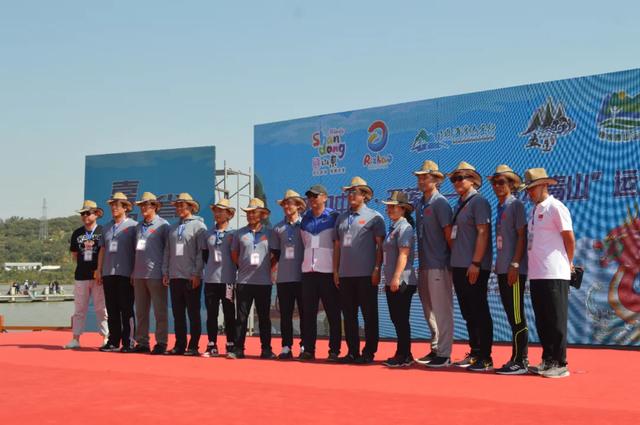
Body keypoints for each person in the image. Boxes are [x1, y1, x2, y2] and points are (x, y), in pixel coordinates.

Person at [522, 168, 575, 379]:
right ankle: (548, 360)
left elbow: (569, 237)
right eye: (528, 189)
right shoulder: (534, 211)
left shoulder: (556, 207)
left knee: (556, 320)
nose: (530, 193)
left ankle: (560, 363)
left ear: (544, 185)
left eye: (533, 188)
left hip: (554, 272)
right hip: (537, 274)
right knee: (542, 320)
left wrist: (568, 263)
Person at [447, 162, 494, 372]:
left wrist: (476, 262)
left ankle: (486, 356)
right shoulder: (459, 204)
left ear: (473, 180)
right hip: (458, 265)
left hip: (474, 266)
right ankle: (474, 352)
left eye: (461, 178)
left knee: (479, 310)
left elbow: (483, 233)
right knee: (468, 312)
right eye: (454, 179)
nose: (456, 182)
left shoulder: (479, 202)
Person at [334, 176, 386, 364]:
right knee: (349, 316)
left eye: (354, 192)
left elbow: (380, 246)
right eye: (349, 192)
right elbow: (337, 246)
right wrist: (335, 271)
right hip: (345, 275)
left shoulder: (374, 217)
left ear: (364, 195)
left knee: (369, 315)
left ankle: (369, 352)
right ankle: (352, 351)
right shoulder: (341, 218)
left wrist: (377, 269)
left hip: (366, 274)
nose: (351, 196)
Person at [487, 165, 529, 375]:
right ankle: (516, 358)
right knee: (511, 315)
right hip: (503, 268)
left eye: (501, 182)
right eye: (494, 182)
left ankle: (521, 360)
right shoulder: (501, 206)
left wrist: (515, 264)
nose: (497, 186)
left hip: (514, 270)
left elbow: (522, 236)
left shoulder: (516, 205)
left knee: (517, 315)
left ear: (511, 184)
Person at [413, 160, 454, 368]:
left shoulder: (441, 203)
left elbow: (449, 235)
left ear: (437, 180)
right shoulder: (419, 204)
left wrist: (451, 263)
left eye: (425, 177)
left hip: (439, 263)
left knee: (442, 310)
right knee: (428, 310)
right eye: (419, 177)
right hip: (424, 264)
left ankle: (445, 354)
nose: (421, 180)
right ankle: (436, 347)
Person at [298, 184, 342, 362]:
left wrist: (336, 269)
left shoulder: (334, 217)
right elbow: (305, 244)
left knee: (333, 313)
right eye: (309, 196)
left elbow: (338, 245)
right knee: (308, 314)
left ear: (325, 197)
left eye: (315, 196)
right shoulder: (305, 219)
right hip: (308, 272)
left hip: (328, 272)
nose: (312, 200)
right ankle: (309, 349)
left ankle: (334, 351)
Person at [228, 198, 276, 360]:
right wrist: (243, 266)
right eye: (248, 213)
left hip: (264, 282)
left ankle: (266, 349)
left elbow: (275, 255)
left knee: (264, 318)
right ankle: (238, 349)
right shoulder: (239, 233)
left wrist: (267, 267)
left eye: (254, 212)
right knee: (241, 317)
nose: (250, 215)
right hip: (244, 281)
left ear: (262, 214)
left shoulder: (269, 233)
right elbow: (234, 254)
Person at [162, 193, 207, 356]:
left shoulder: (199, 226)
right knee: (178, 314)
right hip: (175, 276)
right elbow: (167, 251)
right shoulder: (173, 227)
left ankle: (193, 346)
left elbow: (201, 252)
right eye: (178, 206)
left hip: (190, 276)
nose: (179, 208)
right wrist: (165, 271)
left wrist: (196, 273)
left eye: (182, 205)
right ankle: (179, 345)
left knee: (193, 313)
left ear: (191, 207)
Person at [96, 192, 138, 352]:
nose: (113, 208)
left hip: (126, 273)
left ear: (125, 208)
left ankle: (129, 341)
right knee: (112, 309)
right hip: (108, 273)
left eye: (117, 205)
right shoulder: (106, 227)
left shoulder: (133, 226)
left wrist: (135, 271)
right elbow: (102, 249)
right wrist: (99, 270)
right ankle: (113, 341)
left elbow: (138, 251)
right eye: (112, 205)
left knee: (126, 308)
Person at [64, 200, 108, 349]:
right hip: (81, 276)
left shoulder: (103, 231)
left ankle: (106, 337)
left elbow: (106, 252)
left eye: (88, 213)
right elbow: (74, 254)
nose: (85, 216)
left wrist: (100, 270)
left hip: (98, 276)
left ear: (96, 214)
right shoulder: (77, 233)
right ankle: (75, 339)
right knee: (79, 309)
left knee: (101, 308)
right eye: (83, 214)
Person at [381, 191, 418, 368]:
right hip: (392, 280)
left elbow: (403, 255)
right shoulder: (394, 228)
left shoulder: (405, 228)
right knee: (396, 318)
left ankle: (404, 355)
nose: (389, 209)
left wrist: (396, 278)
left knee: (401, 318)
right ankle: (403, 353)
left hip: (403, 281)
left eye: (393, 206)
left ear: (403, 209)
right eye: (388, 207)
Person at [131, 192, 170, 355]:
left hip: (156, 274)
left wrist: (165, 271)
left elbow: (168, 250)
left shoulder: (163, 225)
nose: (143, 208)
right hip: (139, 275)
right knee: (141, 312)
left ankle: (161, 343)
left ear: (154, 206)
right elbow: (135, 251)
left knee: (160, 312)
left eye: (146, 205)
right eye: (141, 206)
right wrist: (133, 272)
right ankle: (142, 342)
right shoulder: (138, 226)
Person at [270, 190, 306, 360]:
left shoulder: (306, 225)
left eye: (289, 203)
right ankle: (286, 347)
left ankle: (305, 345)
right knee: (285, 314)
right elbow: (276, 254)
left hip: (303, 277)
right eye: (284, 204)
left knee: (305, 313)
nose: (286, 206)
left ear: (298, 206)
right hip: (284, 278)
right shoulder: (278, 228)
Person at [201, 198, 238, 357]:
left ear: (229, 214)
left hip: (228, 280)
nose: (217, 213)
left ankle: (231, 343)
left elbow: (236, 256)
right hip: (211, 280)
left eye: (221, 211)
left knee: (229, 312)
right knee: (212, 313)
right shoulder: (207, 233)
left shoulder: (234, 234)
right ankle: (212, 344)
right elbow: (205, 255)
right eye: (216, 210)